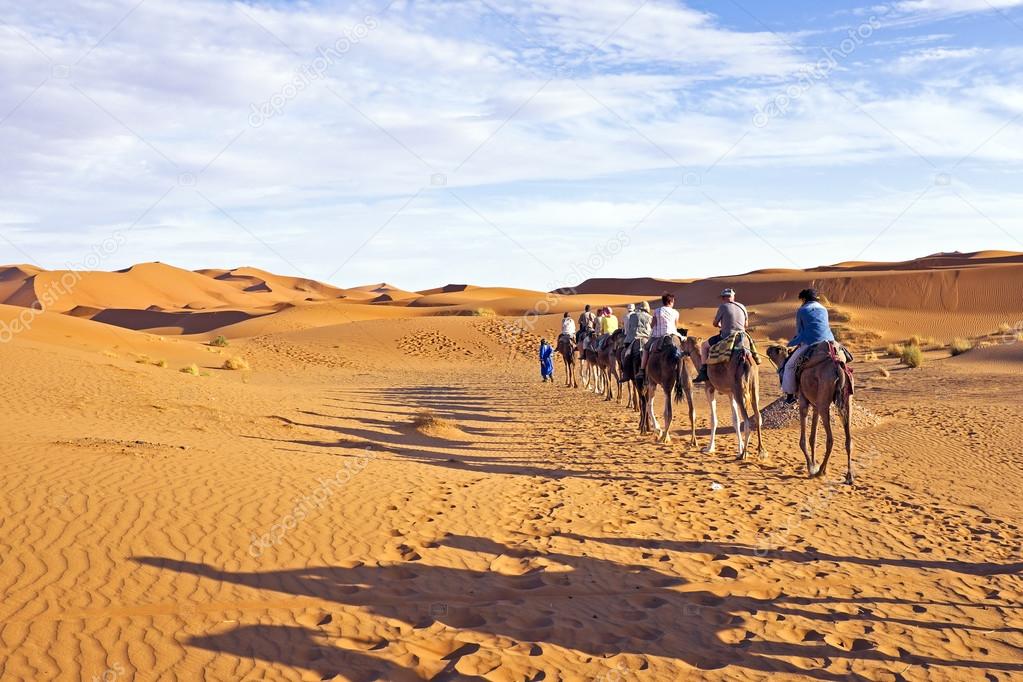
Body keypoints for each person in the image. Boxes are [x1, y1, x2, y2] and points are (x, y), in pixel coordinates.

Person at [782, 288, 835, 403]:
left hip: (811, 341)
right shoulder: (824, 309)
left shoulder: (802, 310)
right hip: (829, 341)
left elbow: (800, 331)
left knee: (789, 366)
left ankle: (790, 394)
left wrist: (793, 342)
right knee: (840, 358)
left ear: (804, 299)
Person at [695, 288, 748, 384]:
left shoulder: (723, 307)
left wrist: (721, 325)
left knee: (704, 346)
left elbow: (715, 323)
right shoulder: (742, 307)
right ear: (733, 297)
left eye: (723, 298)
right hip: (742, 337)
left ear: (724, 297)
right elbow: (746, 325)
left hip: (727, 336)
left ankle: (703, 372)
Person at [639, 293, 680, 378]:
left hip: (658, 336)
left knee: (646, 348)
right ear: (671, 302)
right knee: (683, 348)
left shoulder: (657, 311)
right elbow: (676, 326)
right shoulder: (676, 312)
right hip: (672, 335)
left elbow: (652, 325)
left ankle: (642, 370)